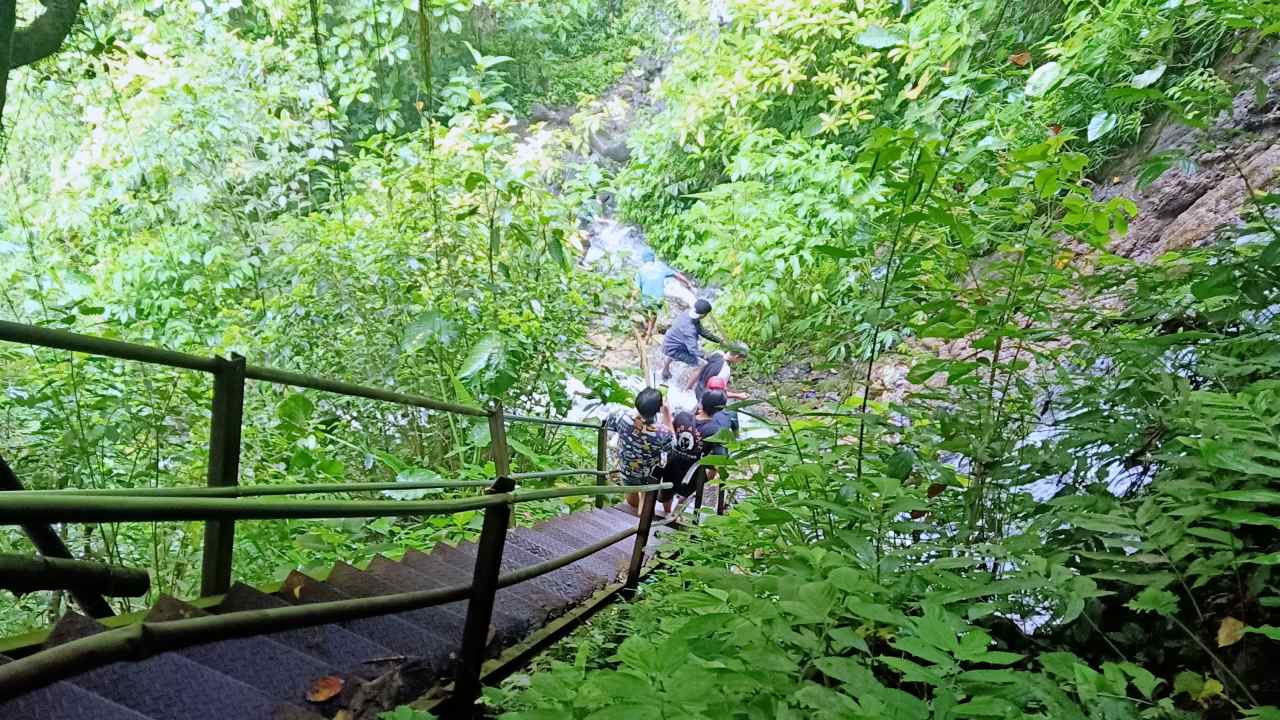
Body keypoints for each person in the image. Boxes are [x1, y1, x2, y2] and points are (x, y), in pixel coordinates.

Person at [603, 387, 672, 509]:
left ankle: (636, 515)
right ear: (658, 409)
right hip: (648, 473)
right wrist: (666, 414)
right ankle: (643, 516)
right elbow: (672, 448)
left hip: (627, 468)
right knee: (645, 498)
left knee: (632, 500)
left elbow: (607, 424)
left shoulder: (621, 417)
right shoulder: (662, 433)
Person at [635, 249, 693, 338]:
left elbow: (636, 288)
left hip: (645, 299)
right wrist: (687, 282)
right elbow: (676, 274)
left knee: (646, 311)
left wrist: (631, 299)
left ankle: (648, 328)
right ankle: (649, 331)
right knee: (654, 313)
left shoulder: (640, 271)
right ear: (653, 258)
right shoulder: (661, 267)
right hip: (658, 299)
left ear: (643, 260)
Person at [661, 299, 721, 382]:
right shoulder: (690, 329)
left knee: (682, 349)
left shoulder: (688, 313)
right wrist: (706, 356)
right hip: (673, 349)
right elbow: (693, 350)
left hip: (671, 341)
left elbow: (702, 331)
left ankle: (665, 370)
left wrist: (718, 340)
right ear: (703, 315)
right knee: (701, 364)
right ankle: (687, 388)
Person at [658, 412, 704, 515]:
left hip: (675, 463)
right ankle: (672, 515)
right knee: (681, 492)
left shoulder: (681, 416)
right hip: (692, 467)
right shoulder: (715, 426)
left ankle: (669, 514)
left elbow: (669, 434)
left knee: (668, 490)